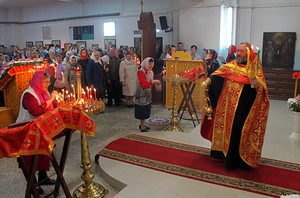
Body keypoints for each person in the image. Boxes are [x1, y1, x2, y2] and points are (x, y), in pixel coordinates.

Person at [201, 42, 270, 169]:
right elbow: (219, 75)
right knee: (225, 127)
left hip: (244, 108)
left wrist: (254, 81)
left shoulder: (254, 69)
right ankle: (221, 154)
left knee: (238, 129)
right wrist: (210, 80)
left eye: (242, 51)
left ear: (248, 53)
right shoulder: (231, 65)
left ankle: (235, 160)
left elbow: (260, 89)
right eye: (238, 51)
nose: (238, 53)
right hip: (226, 106)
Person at [16, 71, 58, 194]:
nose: (47, 84)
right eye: (44, 82)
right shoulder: (29, 94)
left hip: (40, 129)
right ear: (37, 81)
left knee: (42, 154)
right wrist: (51, 99)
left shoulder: (44, 92)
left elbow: (50, 107)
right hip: (27, 130)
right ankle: (32, 183)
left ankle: (43, 177)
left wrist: (55, 101)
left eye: (48, 82)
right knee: (31, 157)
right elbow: (36, 111)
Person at [134, 57, 160, 132]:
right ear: (145, 63)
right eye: (149, 64)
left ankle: (143, 124)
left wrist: (155, 83)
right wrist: (153, 82)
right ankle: (142, 126)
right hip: (141, 94)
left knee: (146, 109)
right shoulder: (141, 72)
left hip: (147, 94)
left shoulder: (150, 71)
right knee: (142, 110)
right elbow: (143, 84)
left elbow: (150, 82)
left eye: (152, 64)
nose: (151, 65)